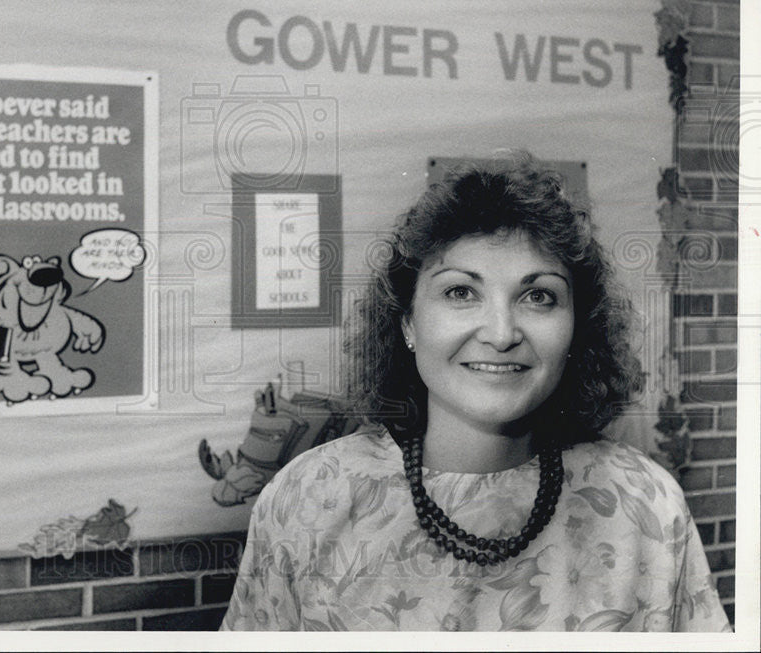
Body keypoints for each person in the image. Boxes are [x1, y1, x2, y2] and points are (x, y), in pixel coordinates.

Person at [220, 154, 731, 632]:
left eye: (539, 296)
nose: (502, 332)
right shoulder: (306, 498)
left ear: (578, 328)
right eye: (461, 292)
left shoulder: (646, 504)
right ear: (408, 325)